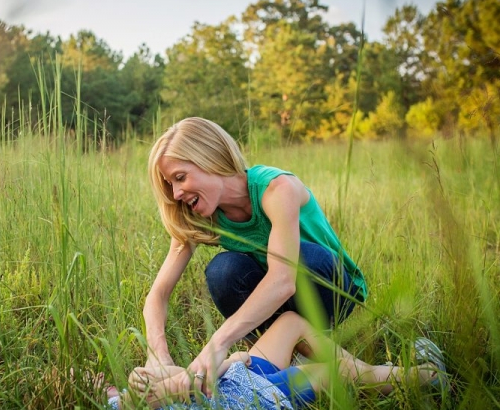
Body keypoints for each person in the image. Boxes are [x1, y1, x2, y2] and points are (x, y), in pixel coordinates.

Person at [144, 117, 367, 396]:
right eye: (170, 184)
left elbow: (282, 280)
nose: (176, 193)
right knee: (224, 270)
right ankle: (275, 352)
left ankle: (313, 347)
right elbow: (158, 294)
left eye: (180, 177)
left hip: (330, 287)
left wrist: (218, 343)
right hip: (278, 298)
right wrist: (158, 356)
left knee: (305, 259)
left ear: (209, 157)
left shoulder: (276, 188)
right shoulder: (196, 214)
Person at [106, 311, 447, 410]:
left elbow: (183, 379)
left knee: (290, 323)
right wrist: (232, 358)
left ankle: (375, 371)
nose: (102, 382)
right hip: (249, 398)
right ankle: (424, 378)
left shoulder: (124, 402)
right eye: (92, 384)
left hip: (238, 380)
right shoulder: (131, 405)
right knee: (330, 372)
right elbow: (195, 383)